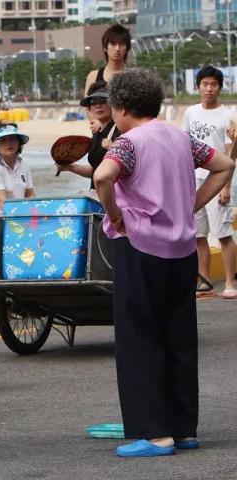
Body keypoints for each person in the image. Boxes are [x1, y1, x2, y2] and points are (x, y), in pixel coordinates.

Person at [93, 68, 234, 457]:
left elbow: (104, 175)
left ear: (121, 107)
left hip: (139, 246)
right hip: (182, 250)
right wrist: (190, 205)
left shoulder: (128, 142)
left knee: (140, 338)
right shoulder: (179, 137)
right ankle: (183, 427)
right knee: (179, 338)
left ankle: (154, 433)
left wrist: (115, 213)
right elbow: (224, 165)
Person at [183, 65, 237, 299]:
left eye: (213, 84)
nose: (209, 88)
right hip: (194, 179)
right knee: (198, 234)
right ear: (198, 87)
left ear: (219, 87)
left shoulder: (227, 115)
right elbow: (185, 145)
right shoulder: (191, 112)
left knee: (223, 233)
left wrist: (226, 185)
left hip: (218, 180)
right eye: (204, 84)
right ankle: (203, 282)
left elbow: (230, 153)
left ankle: (230, 282)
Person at [57, 81, 120, 189]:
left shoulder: (119, 131)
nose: (98, 105)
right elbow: (95, 170)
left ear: (112, 104)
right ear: (89, 108)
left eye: (103, 101)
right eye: (93, 102)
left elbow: (128, 168)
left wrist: (113, 149)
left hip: (115, 197)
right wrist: (71, 167)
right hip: (96, 195)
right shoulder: (96, 133)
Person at [0, 121, 35, 219]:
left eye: (12, 138)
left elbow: (30, 195)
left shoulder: (23, 164)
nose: (9, 143)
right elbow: (1, 201)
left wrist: (33, 216)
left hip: (21, 218)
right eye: (3, 140)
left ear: (19, 142)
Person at [84, 24, 130, 133]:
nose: (117, 49)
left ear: (127, 48)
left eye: (121, 44)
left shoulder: (133, 77)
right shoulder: (94, 76)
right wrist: (95, 121)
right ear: (105, 47)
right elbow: (88, 106)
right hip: (100, 133)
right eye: (113, 44)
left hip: (125, 134)